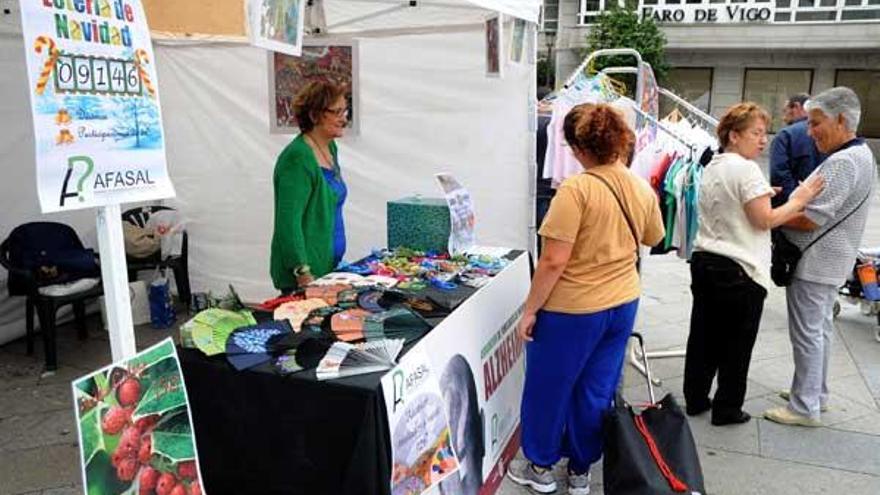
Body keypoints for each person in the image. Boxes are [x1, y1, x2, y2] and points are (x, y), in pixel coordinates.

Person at [507, 103, 665, 495]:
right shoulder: (639, 185)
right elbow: (654, 237)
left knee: (549, 387)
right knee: (596, 389)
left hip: (572, 309)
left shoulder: (576, 189)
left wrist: (530, 309)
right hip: (622, 302)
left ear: (578, 147)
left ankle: (541, 467)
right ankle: (580, 470)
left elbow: (552, 260)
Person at [683, 102, 824, 426]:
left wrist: (765, 192)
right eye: (756, 133)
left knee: (703, 336)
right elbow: (765, 220)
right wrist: (799, 200)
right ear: (734, 135)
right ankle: (727, 409)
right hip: (739, 268)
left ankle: (696, 399)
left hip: (705, 260)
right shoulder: (745, 169)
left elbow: (734, 201)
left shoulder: (715, 164)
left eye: (764, 133)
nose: (763, 141)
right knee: (736, 345)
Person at [764, 87, 877, 427]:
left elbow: (812, 216)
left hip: (815, 262)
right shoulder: (861, 154)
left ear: (841, 119)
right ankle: (815, 393)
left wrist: (775, 213)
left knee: (808, 333)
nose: (810, 132)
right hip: (829, 260)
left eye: (816, 123)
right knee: (820, 331)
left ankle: (804, 407)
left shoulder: (843, 161)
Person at [270, 81, 349, 292]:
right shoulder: (297, 158)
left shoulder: (330, 147)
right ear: (315, 116)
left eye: (345, 110)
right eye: (337, 112)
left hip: (328, 267)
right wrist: (302, 271)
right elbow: (288, 222)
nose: (344, 118)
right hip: (306, 275)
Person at [770, 93, 825, 207]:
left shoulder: (785, 135)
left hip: (789, 209)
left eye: (784, 111)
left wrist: (795, 202)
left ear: (796, 107)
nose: (783, 117)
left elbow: (779, 176)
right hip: (819, 205)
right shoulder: (827, 132)